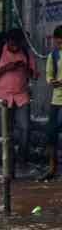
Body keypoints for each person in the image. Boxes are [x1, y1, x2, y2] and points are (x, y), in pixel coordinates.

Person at [0, 27, 37, 174]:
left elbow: (34, 75)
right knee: (5, 132)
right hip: (3, 98)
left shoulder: (26, 54)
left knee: (25, 129)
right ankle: (8, 163)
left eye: (18, 44)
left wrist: (26, 68)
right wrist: (6, 68)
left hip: (21, 97)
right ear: (7, 42)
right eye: (12, 44)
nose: (15, 47)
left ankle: (22, 158)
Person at [45, 26, 62, 180]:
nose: (59, 42)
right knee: (51, 134)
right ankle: (52, 167)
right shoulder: (53, 55)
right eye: (58, 39)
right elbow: (49, 76)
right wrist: (53, 81)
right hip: (56, 100)